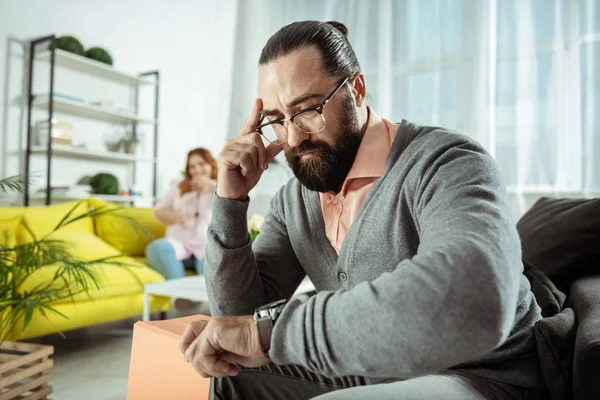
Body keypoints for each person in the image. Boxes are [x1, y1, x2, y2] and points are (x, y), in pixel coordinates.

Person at [179, 21, 546, 399]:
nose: (292, 138)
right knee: (227, 376)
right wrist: (230, 200)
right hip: (372, 373)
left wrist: (271, 332)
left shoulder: (446, 161)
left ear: (356, 89)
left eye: (307, 110)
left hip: (481, 375)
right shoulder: (294, 200)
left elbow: (475, 299)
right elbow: (239, 322)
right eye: (275, 120)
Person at [146, 147, 216, 280]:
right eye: (192, 166)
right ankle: (180, 292)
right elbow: (158, 210)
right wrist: (175, 217)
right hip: (180, 246)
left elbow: (247, 194)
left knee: (212, 260)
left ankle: (204, 295)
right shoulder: (179, 187)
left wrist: (211, 186)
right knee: (156, 248)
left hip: (207, 248)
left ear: (211, 164)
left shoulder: (222, 187)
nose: (197, 169)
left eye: (201, 164)